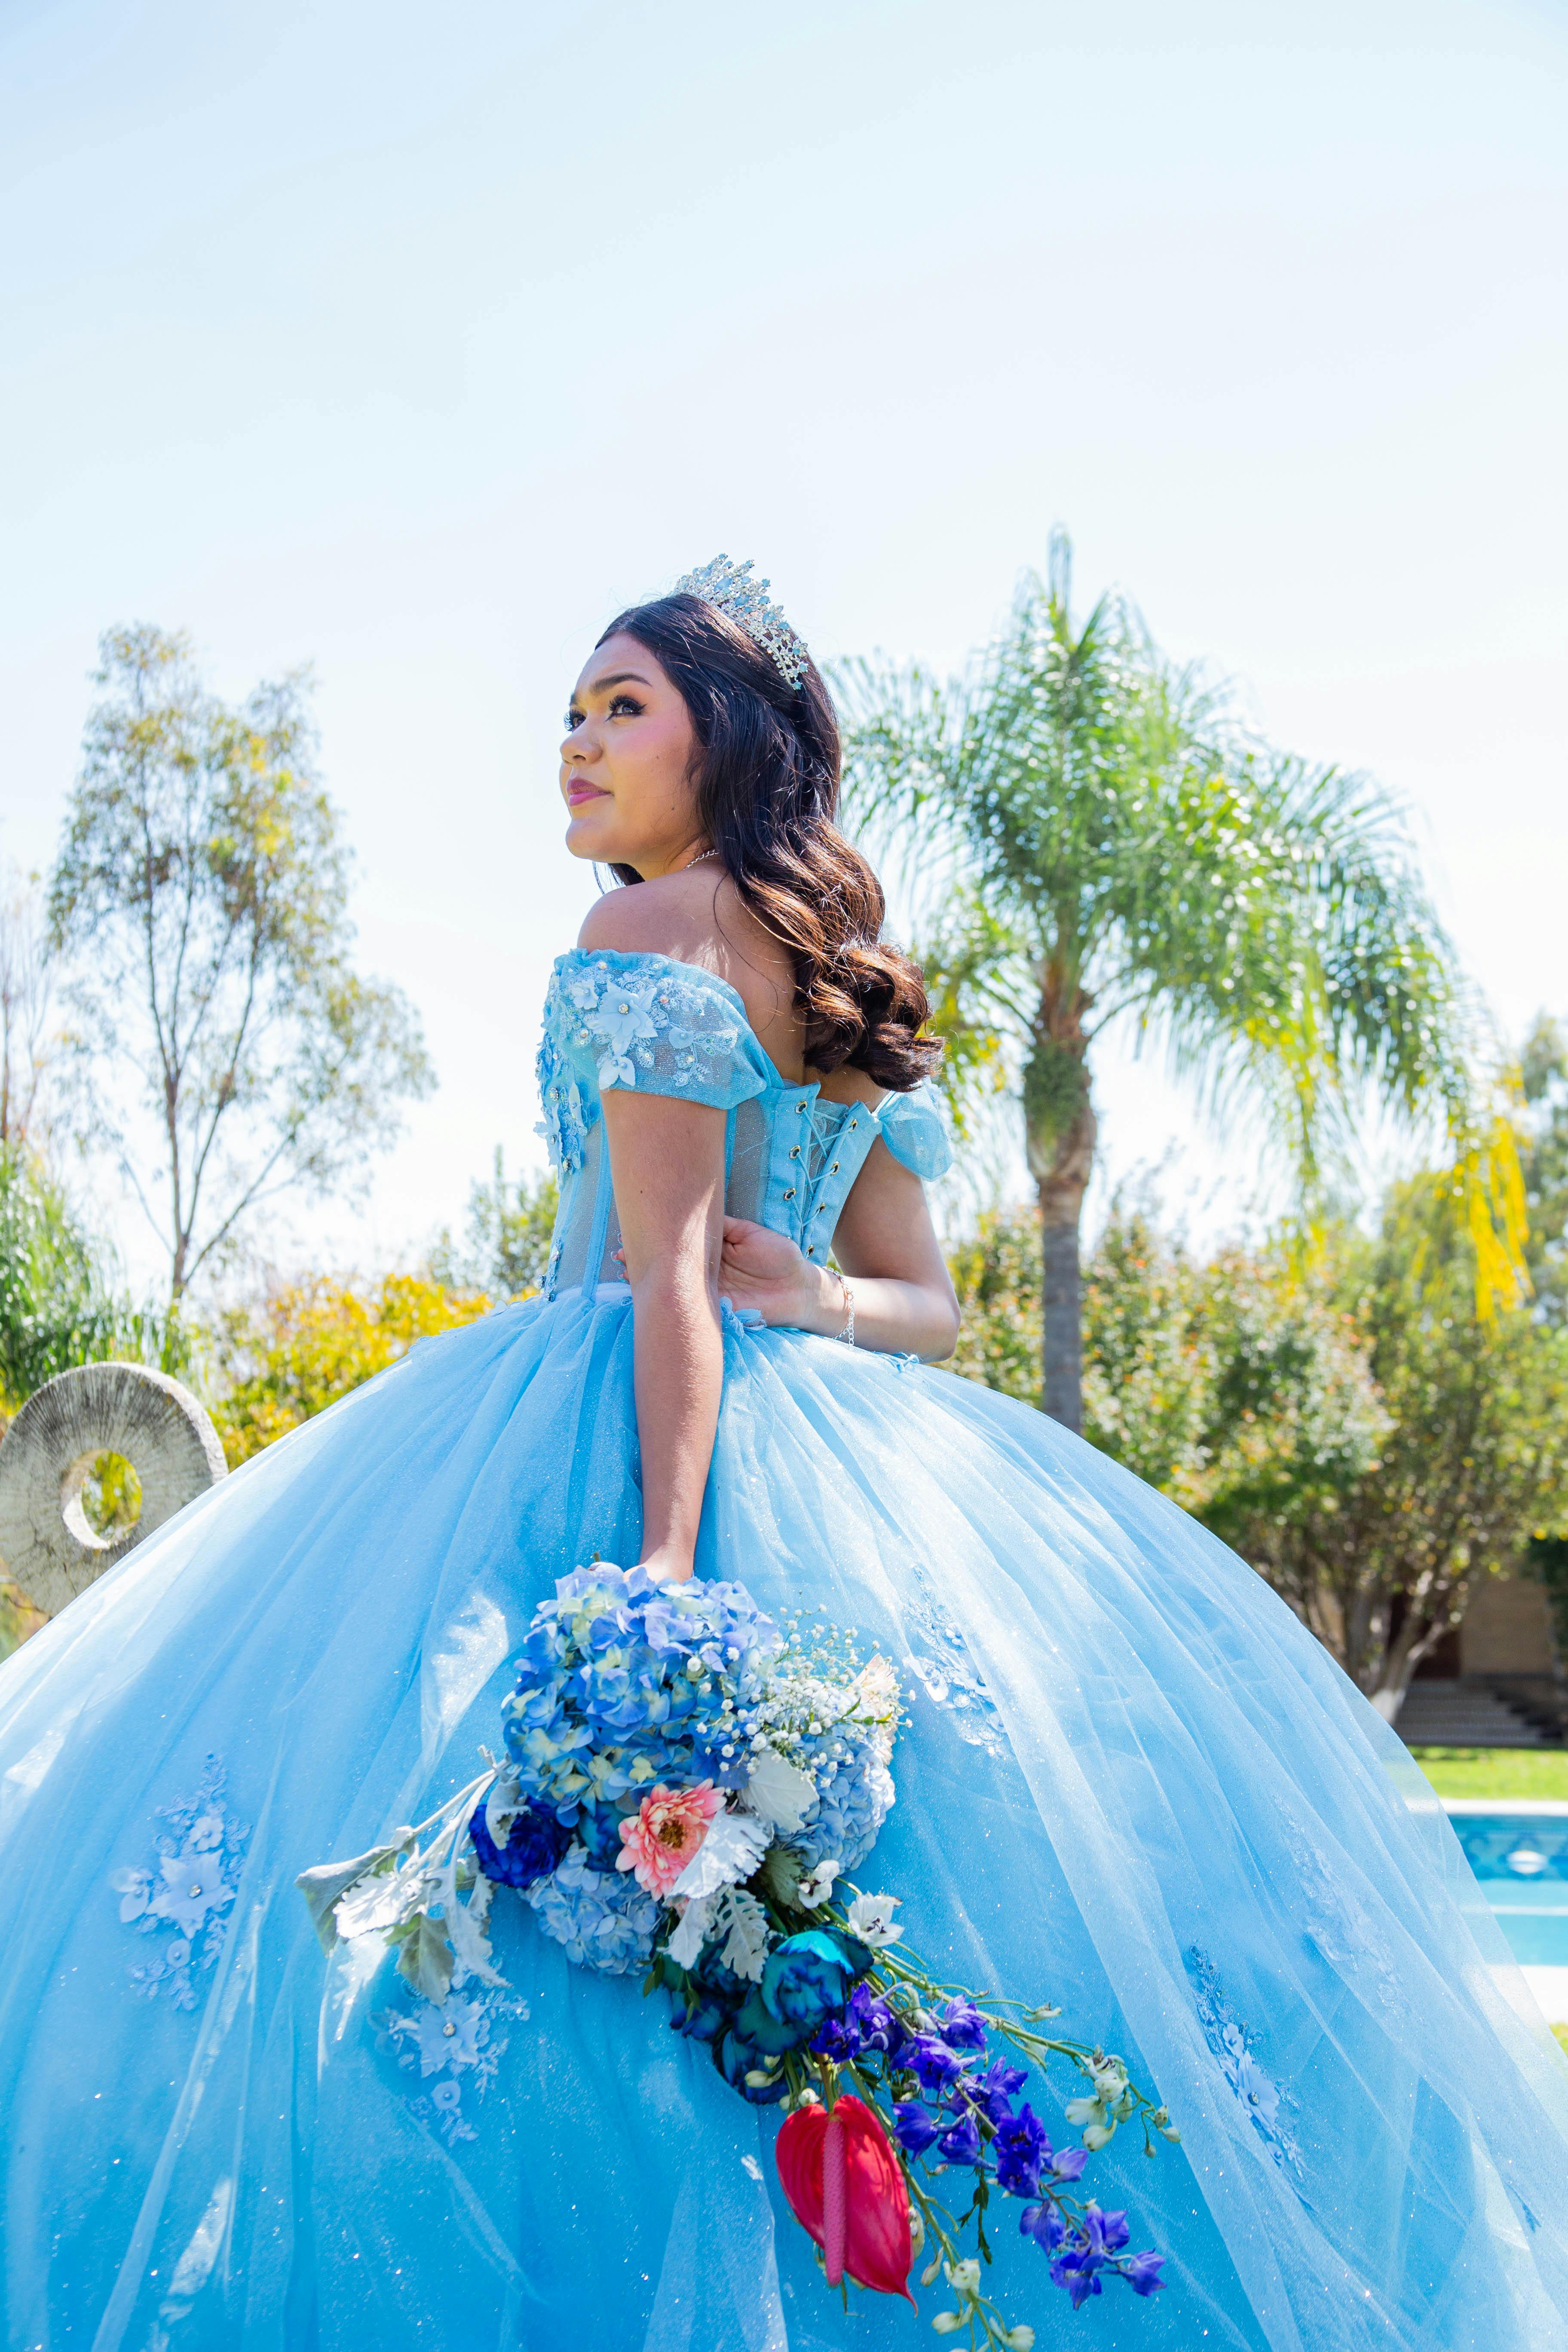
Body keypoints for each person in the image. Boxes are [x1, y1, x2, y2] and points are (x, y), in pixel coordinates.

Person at [0, 560, 1565, 2352]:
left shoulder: (643, 937)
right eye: (571, 713)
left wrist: (660, 1576)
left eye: (623, 708)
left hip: (612, 1427)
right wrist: (809, 1289)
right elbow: (927, 1307)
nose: (578, 744)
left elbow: (662, 1277)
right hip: (858, 1452)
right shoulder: (843, 977)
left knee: (523, 1947)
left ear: (723, 740)